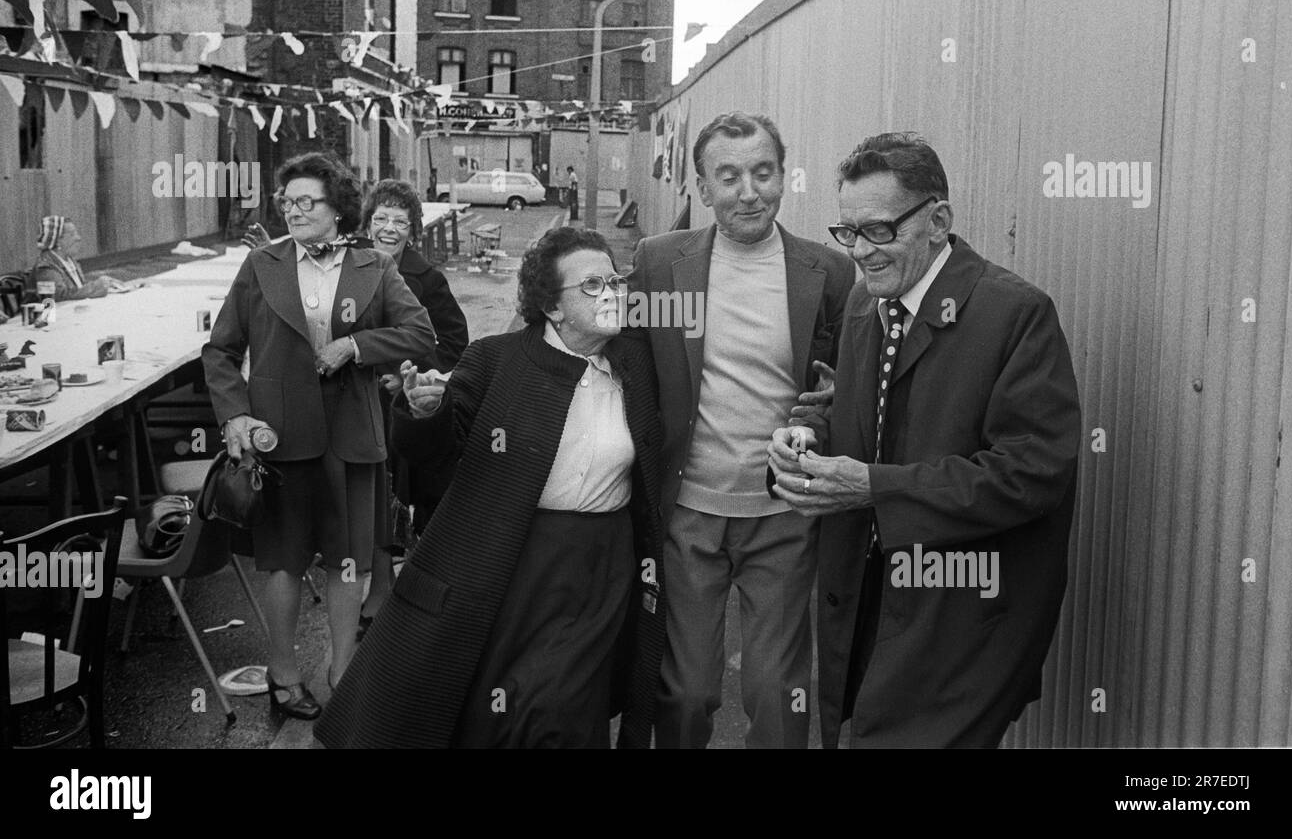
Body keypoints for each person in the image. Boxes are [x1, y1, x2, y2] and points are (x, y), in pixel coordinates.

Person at [769, 132, 1082, 748]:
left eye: (879, 231)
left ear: (938, 221)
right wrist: (807, 437)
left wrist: (872, 489)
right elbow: (870, 422)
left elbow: (1032, 473)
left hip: (961, 622)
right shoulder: (868, 304)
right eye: (848, 232)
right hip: (864, 608)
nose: (860, 251)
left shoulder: (1015, 314)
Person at [316, 227, 665, 748]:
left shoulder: (636, 364)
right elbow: (433, 453)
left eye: (615, 280)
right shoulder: (496, 360)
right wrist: (422, 411)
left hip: (600, 568)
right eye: (592, 286)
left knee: (565, 706)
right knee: (500, 707)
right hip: (509, 565)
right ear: (552, 307)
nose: (612, 293)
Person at [628, 111, 856, 749]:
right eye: (728, 177)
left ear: (784, 177)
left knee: (778, 694)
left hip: (783, 513)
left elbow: (842, 384)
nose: (748, 191)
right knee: (687, 690)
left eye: (763, 172)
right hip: (689, 514)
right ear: (702, 188)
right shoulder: (660, 263)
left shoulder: (828, 272)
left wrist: (827, 412)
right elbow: (622, 357)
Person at [202, 151, 437, 721]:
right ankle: (283, 675)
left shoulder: (373, 266)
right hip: (277, 442)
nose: (295, 210)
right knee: (282, 563)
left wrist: (356, 346)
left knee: (347, 563)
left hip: (352, 440)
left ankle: (342, 675)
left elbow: (420, 332)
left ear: (338, 210)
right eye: (288, 201)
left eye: (308, 201)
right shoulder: (262, 265)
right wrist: (235, 417)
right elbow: (221, 352)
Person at [356, 179, 469, 634]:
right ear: (367, 225)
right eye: (380, 219)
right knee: (364, 495)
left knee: (400, 497)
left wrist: (408, 375)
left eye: (399, 221)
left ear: (413, 230)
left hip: (402, 410)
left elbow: (455, 345)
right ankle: (376, 587)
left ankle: (402, 596)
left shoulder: (428, 279)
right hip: (355, 402)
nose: (388, 228)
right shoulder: (352, 268)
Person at [32, 216, 130, 300]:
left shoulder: (70, 261)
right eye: (72, 234)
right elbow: (56, 297)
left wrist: (104, 283)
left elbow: (78, 289)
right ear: (57, 241)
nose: (78, 238)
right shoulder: (44, 268)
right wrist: (97, 286)